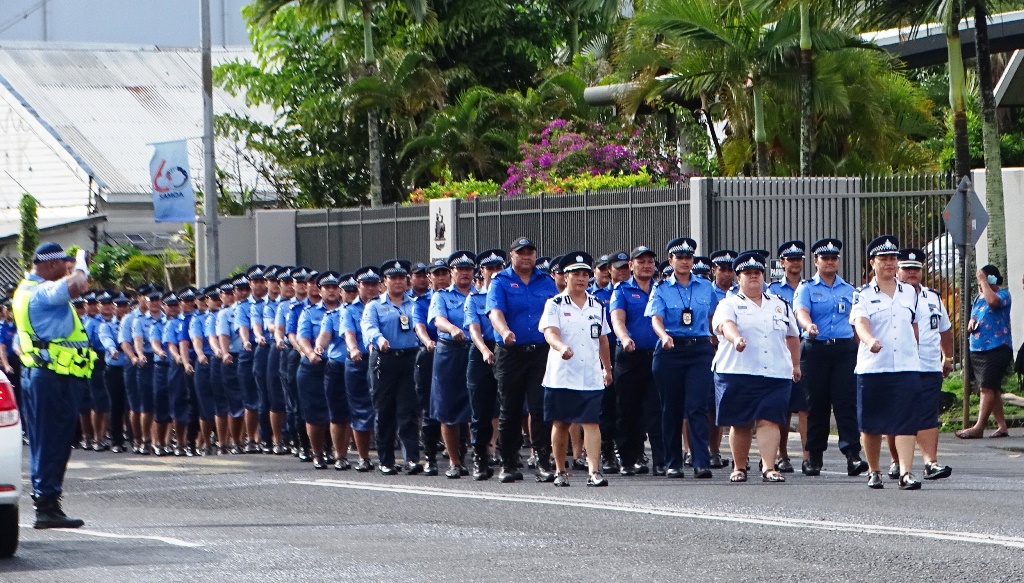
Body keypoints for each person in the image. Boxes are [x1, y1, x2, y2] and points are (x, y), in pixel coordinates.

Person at [13, 242, 92, 529]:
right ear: (48, 265)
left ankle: (47, 502)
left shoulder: (23, 292)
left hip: (41, 375)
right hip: (53, 378)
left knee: (44, 440)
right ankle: (46, 505)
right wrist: (82, 261)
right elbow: (78, 284)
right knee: (53, 441)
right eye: (62, 263)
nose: (66, 268)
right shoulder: (43, 292)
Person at [712, 252, 801, 483]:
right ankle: (739, 467)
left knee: (769, 420)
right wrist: (736, 339)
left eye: (757, 273)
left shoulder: (780, 305)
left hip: (775, 372)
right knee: (741, 422)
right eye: (747, 274)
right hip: (738, 370)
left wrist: (796, 364)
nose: (753, 277)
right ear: (738, 278)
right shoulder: (728, 304)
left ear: (763, 276)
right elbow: (726, 325)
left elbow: (792, 336)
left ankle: (769, 467)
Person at [850, 235, 924, 490]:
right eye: (884, 259)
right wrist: (869, 340)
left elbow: (913, 327)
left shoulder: (910, 293)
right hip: (874, 367)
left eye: (893, 258)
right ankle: (874, 470)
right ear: (873, 263)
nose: (890, 263)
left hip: (905, 366)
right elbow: (860, 323)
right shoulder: (863, 295)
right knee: (871, 423)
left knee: (905, 421)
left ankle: (906, 471)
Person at [486, 237, 560, 484]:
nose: (526, 257)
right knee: (510, 409)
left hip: (540, 351)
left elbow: (555, 312)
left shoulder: (546, 281)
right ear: (512, 255)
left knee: (539, 408)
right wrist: (504, 330)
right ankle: (508, 462)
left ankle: (542, 461)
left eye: (530, 252)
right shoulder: (501, 281)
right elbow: (495, 311)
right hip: (510, 352)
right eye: (521, 253)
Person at [792, 239, 866, 477]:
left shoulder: (849, 289)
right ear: (816, 261)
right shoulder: (806, 287)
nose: (831, 262)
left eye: (834, 258)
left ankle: (853, 455)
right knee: (816, 405)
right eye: (826, 258)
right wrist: (808, 325)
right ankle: (814, 456)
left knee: (846, 403)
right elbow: (801, 311)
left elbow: (857, 322)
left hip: (844, 350)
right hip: (815, 349)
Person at [645, 237, 718, 479]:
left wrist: (714, 339)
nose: (685, 262)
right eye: (680, 258)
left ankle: (700, 461)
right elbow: (656, 318)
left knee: (696, 406)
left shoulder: (706, 286)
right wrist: (663, 335)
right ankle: (673, 462)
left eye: (689, 258)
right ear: (671, 261)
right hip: (670, 350)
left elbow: (712, 316)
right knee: (671, 408)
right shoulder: (661, 288)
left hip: (699, 350)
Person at [541, 253, 613, 487]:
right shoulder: (555, 304)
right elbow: (550, 332)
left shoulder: (596, 305)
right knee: (561, 422)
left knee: (592, 422)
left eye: (585, 274)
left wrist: (607, 368)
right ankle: (560, 470)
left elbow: (603, 339)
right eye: (576, 274)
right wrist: (561, 346)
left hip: (589, 374)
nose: (581, 279)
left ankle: (594, 471)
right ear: (565, 276)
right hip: (562, 374)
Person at [887, 249, 953, 480]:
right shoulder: (891, 295)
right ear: (897, 270)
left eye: (916, 269)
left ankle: (930, 462)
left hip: (928, 365)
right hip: (900, 366)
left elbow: (944, 329)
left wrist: (948, 357)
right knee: (899, 416)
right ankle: (897, 462)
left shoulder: (933, 297)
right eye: (907, 268)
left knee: (927, 415)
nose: (912, 273)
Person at [362, 260, 423, 475]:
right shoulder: (375, 305)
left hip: (409, 359)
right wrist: (378, 339)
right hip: (384, 360)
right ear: (384, 282)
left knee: (408, 412)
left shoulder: (414, 304)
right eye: (393, 278)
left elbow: (421, 326)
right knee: (384, 411)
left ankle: (412, 459)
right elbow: (369, 327)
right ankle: (386, 460)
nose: (398, 282)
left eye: (401, 278)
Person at [610, 245, 665, 476]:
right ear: (631, 266)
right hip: (630, 357)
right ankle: (628, 459)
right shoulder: (622, 290)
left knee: (656, 410)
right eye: (641, 262)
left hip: (657, 357)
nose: (646, 265)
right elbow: (617, 319)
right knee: (627, 410)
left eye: (650, 261)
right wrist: (624, 338)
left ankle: (661, 461)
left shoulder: (662, 289)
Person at [428, 251, 477, 478]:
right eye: (460, 269)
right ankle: (454, 461)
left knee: (476, 407)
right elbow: (438, 319)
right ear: (452, 273)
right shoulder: (442, 296)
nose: (465, 273)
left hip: (475, 351)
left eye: (468, 269)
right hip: (449, 352)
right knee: (448, 409)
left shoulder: (481, 295)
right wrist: (452, 328)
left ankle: (478, 458)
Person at [956, 264, 1014, 439]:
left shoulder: (1003, 294)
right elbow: (976, 316)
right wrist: (971, 322)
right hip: (978, 349)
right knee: (992, 388)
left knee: (986, 388)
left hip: (996, 347)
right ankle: (1002, 426)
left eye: (988, 279)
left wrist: (984, 282)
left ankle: (979, 427)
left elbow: (993, 302)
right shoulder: (978, 299)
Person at [766, 240, 810, 473]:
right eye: (790, 259)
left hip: (805, 348)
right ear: (782, 263)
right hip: (781, 349)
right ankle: (782, 454)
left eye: (798, 259)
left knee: (805, 405)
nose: (795, 263)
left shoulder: (810, 287)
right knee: (781, 406)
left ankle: (807, 455)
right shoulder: (772, 290)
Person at [465, 249, 506, 480]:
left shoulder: (506, 295)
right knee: (480, 411)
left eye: (498, 268)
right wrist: (485, 350)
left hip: (507, 351)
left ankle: (507, 457)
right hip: (483, 353)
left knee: (508, 409)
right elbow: (473, 328)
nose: (494, 272)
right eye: (490, 269)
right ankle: (480, 459)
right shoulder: (475, 298)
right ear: (482, 272)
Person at [338, 266, 381, 472]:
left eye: (374, 284)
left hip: (382, 360)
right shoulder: (348, 309)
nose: (371, 289)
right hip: (359, 361)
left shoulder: (386, 306)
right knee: (361, 409)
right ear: (359, 286)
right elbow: (349, 334)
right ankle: (363, 457)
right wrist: (354, 349)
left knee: (383, 408)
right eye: (367, 285)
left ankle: (385, 455)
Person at [297, 271, 341, 469]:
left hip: (338, 366)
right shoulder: (309, 312)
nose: (331, 291)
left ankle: (336, 451)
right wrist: (310, 353)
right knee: (315, 413)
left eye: (334, 287)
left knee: (339, 411)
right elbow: (302, 337)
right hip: (314, 366)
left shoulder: (346, 311)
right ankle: (317, 453)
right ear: (319, 290)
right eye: (327, 288)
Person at [412, 259, 447, 475]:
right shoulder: (422, 301)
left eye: (445, 273)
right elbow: (419, 326)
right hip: (430, 354)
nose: (441, 277)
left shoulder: (459, 296)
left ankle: (459, 455)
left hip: (453, 353)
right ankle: (431, 457)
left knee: (456, 405)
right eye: (437, 273)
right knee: (430, 407)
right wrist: (427, 342)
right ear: (430, 277)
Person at [98, 292, 131, 453]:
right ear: (114, 308)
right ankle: (116, 441)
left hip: (131, 367)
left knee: (131, 405)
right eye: (119, 306)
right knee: (116, 406)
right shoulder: (107, 325)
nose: (122, 309)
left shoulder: (133, 323)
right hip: (115, 369)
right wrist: (113, 349)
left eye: (125, 305)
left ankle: (134, 438)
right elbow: (107, 340)